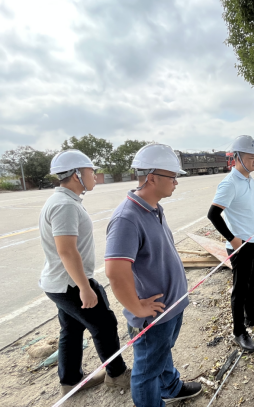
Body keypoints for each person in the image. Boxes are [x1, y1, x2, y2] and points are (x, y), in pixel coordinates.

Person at [105, 144, 201, 407]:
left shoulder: (154, 207)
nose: (176, 183)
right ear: (151, 177)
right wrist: (136, 307)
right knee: (146, 373)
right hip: (152, 316)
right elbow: (115, 271)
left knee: (161, 354)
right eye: (172, 177)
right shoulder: (127, 218)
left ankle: (170, 387)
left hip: (169, 308)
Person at [39, 150, 130, 397]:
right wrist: (85, 288)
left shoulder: (65, 200)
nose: (95, 176)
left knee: (71, 328)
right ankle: (117, 375)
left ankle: (71, 381)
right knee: (105, 324)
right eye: (91, 171)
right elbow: (67, 251)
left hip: (60, 282)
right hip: (70, 284)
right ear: (77, 174)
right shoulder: (64, 205)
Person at [207, 135, 254, 353]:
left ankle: (251, 317)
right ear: (236, 158)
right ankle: (239, 332)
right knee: (240, 289)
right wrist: (233, 240)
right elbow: (213, 215)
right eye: (251, 157)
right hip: (241, 245)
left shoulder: (249, 179)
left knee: (252, 283)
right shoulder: (229, 183)